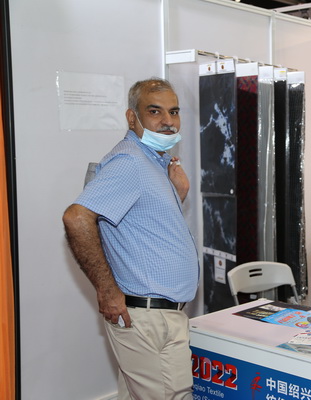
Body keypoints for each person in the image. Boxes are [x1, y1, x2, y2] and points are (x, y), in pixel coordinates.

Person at [63, 77, 199, 400]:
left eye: (173, 111)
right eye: (155, 111)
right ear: (131, 118)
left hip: (158, 316)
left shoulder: (153, 161)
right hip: (148, 317)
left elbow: (144, 227)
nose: (168, 121)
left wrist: (178, 194)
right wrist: (107, 291)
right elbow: (76, 218)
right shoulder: (131, 161)